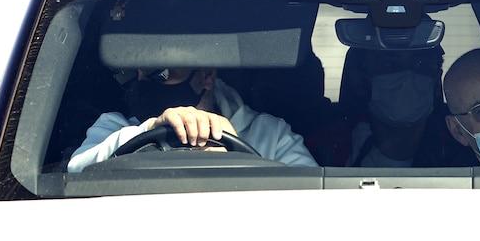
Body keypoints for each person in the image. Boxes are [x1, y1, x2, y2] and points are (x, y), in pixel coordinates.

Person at [67, 67, 318, 171]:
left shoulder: (270, 134)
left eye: (162, 74)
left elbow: (315, 201)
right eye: (139, 74)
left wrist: (238, 156)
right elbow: (73, 174)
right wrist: (150, 130)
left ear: (206, 76)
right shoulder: (116, 126)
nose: (144, 85)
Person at [306, 47, 458, 167]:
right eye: (389, 64)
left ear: (437, 82)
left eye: (420, 63)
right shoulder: (322, 149)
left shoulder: (464, 141)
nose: (407, 77)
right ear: (359, 81)